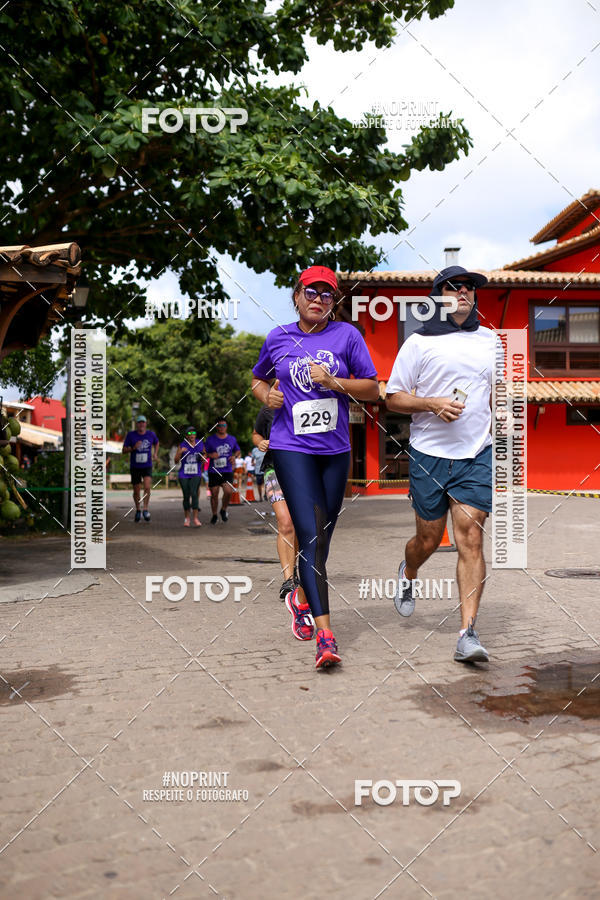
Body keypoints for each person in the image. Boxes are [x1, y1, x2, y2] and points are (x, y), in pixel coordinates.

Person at [252, 265, 379, 669]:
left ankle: (300, 597)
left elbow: (373, 388)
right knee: (308, 533)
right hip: (292, 447)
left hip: (335, 449)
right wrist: (265, 397)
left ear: (333, 302)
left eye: (327, 294)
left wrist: (334, 381)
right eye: (311, 291)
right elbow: (257, 380)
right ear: (296, 295)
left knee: (322, 538)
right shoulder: (278, 338)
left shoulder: (348, 336)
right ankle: (326, 635)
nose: (318, 299)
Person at [385, 265, 496, 663]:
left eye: (469, 287)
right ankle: (409, 571)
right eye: (454, 286)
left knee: (470, 537)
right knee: (428, 542)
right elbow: (392, 398)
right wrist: (433, 404)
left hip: (475, 456)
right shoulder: (418, 343)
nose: (463, 292)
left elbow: (493, 395)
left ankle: (467, 633)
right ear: (438, 296)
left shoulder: (490, 341)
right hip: (430, 455)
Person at [253, 405, 299, 599]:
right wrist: (261, 442)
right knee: (285, 521)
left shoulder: (305, 402)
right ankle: (288, 579)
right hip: (274, 469)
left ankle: (295, 569)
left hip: (302, 471)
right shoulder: (267, 410)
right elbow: (256, 433)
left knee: (299, 524)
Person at [122, 415, 159, 522]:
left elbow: (156, 443)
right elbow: (123, 450)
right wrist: (133, 448)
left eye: (143, 422)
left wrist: (155, 454)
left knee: (147, 487)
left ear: (146, 424)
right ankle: (138, 509)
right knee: (136, 491)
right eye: (139, 423)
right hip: (135, 467)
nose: (141, 424)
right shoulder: (131, 435)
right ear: (137, 424)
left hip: (147, 465)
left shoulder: (150, 434)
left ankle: (146, 509)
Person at [204, 419, 241, 524]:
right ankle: (214, 514)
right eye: (219, 425)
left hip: (227, 470)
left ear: (227, 426)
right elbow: (204, 453)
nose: (222, 427)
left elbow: (238, 450)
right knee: (214, 494)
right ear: (216, 427)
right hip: (214, 471)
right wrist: (211, 455)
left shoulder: (232, 439)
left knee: (229, 491)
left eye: (223, 425)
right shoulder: (210, 440)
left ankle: (223, 509)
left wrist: (234, 456)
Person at [174, 426, 204, 527]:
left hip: (196, 473)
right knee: (186, 495)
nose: (192, 435)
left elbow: (204, 455)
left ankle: (195, 518)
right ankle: (187, 518)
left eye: (194, 433)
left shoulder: (200, 443)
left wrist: (203, 458)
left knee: (194, 493)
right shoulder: (182, 445)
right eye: (190, 434)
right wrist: (180, 452)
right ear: (186, 436)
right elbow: (176, 461)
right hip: (184, 473)